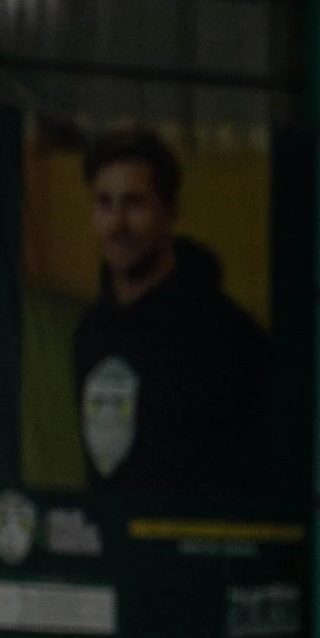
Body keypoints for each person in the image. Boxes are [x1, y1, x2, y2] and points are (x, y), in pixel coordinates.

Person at [71, 127, 271, 498]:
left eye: (134, 203)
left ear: (170, 212)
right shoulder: (91, 334)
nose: (117, 224)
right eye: (104, 203)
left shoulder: (230, 338)